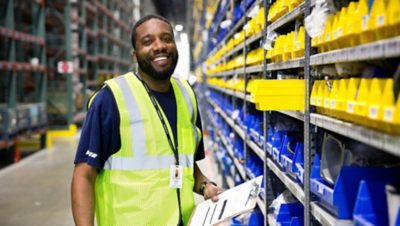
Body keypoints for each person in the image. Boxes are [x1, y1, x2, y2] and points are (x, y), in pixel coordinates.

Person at [71, 14, 223, 226]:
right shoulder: (111, 98)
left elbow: (185, 164)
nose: (160, 46)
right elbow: (84, 176)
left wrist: (205, 185)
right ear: (135, 54)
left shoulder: (187, 95)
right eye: (147, 41)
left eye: (166, 38)